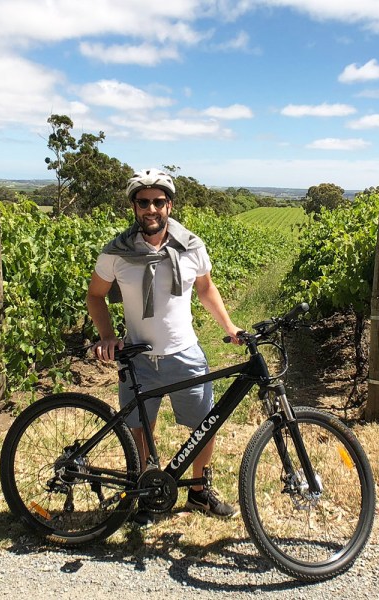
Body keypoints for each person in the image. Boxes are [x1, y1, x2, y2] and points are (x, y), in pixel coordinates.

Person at [86, 168, 243, 524]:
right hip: (138, 356)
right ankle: (148, 493)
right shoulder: (117, 252)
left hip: (184, 353)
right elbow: (95, 296)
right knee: (140, 430)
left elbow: (205, 289)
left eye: (158, 201)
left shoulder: (191, 246)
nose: (151, 209)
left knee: (206, 424)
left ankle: (200, 492)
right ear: (134, 207)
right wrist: (109, 336)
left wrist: (230, 327)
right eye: (143, 202)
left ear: (169, 205)